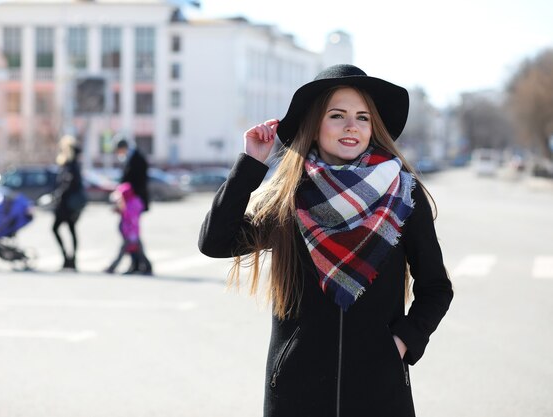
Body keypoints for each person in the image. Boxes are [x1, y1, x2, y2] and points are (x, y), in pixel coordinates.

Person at [198, 64, 453, 417]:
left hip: (380, 394)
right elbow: (216, 241)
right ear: (315, 125)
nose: (352, 126)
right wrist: (250, 165)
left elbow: (436, 287)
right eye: (338, 115)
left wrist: (401, 342)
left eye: (363, 117)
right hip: (295, 394)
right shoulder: (290, 196)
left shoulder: (404, 195)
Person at [114, 138, 153, 275]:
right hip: (130, 201)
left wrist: (125, 192)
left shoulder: (137, 159)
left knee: (130, 232)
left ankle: (142, 263)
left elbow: (136, 181)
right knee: (131, 232)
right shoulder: (131, 158)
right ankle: (137, 263)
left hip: (134, 202)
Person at [52, 134, 87, 271]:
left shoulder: (71, 164)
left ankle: (69, 259)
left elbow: (70, 184)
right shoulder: (72, 163)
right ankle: (70, 259)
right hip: (68, 203)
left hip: (67, 204)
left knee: (58, 229)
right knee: (70, 230)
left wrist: (59, 194)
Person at [104, 182, 152, 275]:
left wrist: (132, 234)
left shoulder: (131, 205)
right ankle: (144, 267)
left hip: (131, 233)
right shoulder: (128, 203)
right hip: (129, 232)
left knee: (125, 251)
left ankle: (112, 267)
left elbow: (132, 220)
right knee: (138, 251)